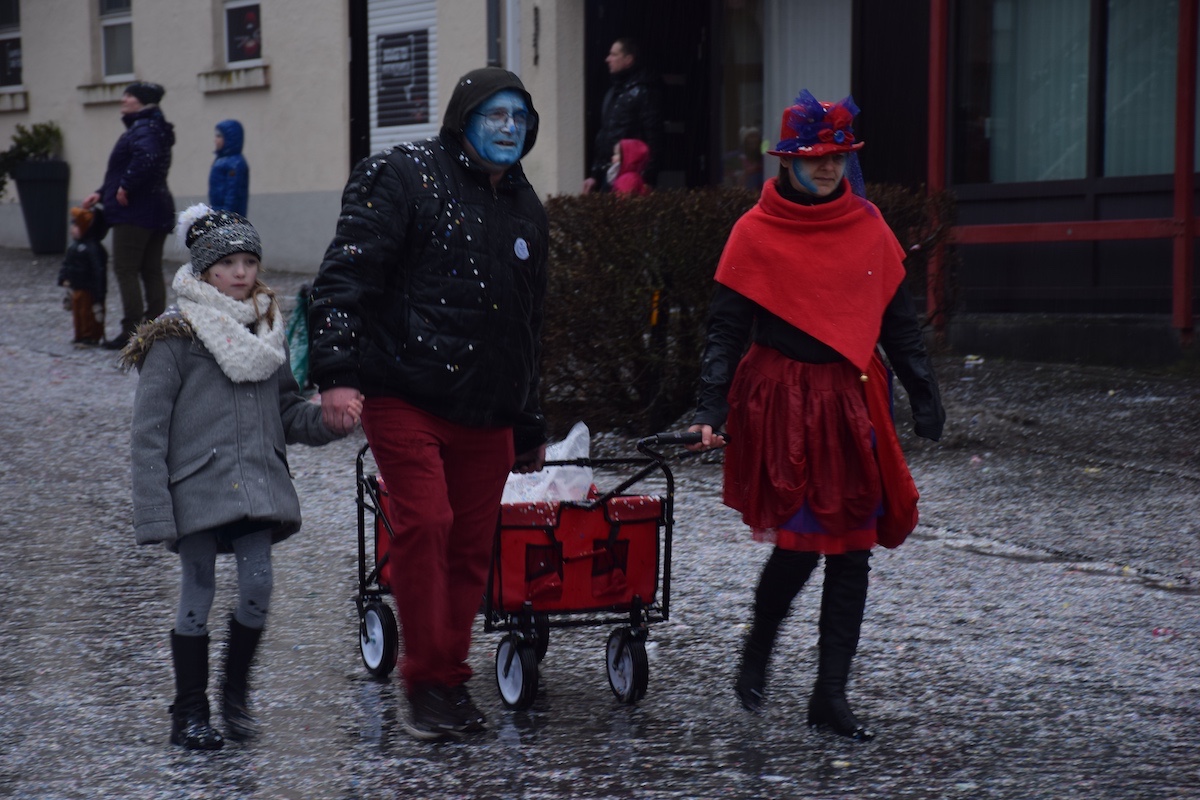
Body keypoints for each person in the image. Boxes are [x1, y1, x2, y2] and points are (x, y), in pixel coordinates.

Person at [687, 89, 945, 742]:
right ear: (788, 162)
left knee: (852, 549)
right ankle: (759, 645)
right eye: (814, 158)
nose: (827, 168)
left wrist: (924, 392)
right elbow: (726, 329)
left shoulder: (868, 226)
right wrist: (710, 404)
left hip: (853, 398)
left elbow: (898, 321)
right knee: (801, 546)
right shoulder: (754, 232)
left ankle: (830, 695)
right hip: (786, 403)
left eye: (836, 156)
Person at [308, 67, 549, 742]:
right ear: (463, 120)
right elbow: (343, 278)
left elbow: (528, 325)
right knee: (427, 523)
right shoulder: (404, 176)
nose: (509, 128)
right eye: (495, 115)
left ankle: (446, 678)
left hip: (487, 409)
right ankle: (423, 683)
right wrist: (336, 373)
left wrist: (528, 421)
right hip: (404, 390)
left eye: (519, 117)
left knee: (471, 550)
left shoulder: (526, 206)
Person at [121, 204, 361, 751]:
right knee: (198, 589)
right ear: (205, 269)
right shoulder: (174, 336)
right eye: (227, 263)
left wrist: (328, 422)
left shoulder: (266, 332)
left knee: (258, 585)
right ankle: (190, 710)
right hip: (196, 487)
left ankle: (235, 694)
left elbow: (287, 412)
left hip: (256, 483)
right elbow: (148, 432)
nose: (240, 272)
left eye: (249, 261)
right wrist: (154, 511)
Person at [83, 81, 176, 351]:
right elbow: (136, 165)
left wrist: (126, 186)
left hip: (135, 212)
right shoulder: (154, 126)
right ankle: (156, 327)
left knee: (126, 269)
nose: (123, 100)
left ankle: (131, 330)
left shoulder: (143, 127)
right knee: (150, 269)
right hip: (155, 209)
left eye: (129, 96)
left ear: (142, 102)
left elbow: (147, 158)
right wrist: (102, 193)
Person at [582, 38, 663, 193]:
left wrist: (648, 179)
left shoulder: (644, 92)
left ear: (628, 60)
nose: (608, 59)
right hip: (610, 175)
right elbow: (605, 135)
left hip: (632, 179)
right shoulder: (614, 92)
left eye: (614, 54)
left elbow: (654, 137)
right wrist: (595, 175)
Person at [56, 206, 109, 346]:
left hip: (88, 288)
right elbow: (66, 264)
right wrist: (64, 278)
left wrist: (99, 293)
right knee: (78, 313)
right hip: (76, 286)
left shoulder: (93, 248)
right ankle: (79, 334)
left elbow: (98, 270)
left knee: (87, 313)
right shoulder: (74, 247)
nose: (72, 230)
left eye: (76, 226)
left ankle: (89, 336)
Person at [209, 119, 250, 217]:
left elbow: (233, 193)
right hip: (218, 211)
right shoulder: (221, 160)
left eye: (219, 136)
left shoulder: (235, 163)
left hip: (229, 215)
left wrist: (226, 215)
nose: (215, 140)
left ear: (230, 138)